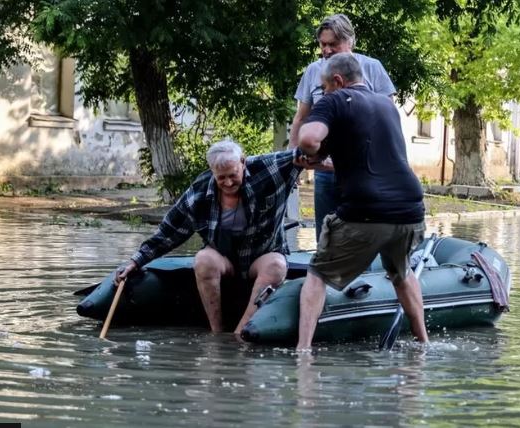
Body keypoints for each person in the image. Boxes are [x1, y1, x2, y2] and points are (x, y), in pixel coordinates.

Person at [295, 53, 428, 351]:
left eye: (325, 86)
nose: (324, 92)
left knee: (317, 274)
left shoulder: (335, 100)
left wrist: (306, 144)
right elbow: (366, 157)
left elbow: (309, 139)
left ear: (338, 81)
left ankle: (302, 352)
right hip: (410, 211)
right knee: (401, 273)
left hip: (366, 212)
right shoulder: (386, 105)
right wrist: (323, 160)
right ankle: (423, 343)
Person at [116, 139, 306, 337]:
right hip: (223, 259)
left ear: (243, 162)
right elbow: (168, 233)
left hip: (262, 255)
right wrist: (135, 261)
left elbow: (304, 153)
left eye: (233, 175)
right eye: (221, 178)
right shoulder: (198, 194)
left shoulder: (267, 168)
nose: (228, 183)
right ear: (212, 171)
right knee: (203, 260)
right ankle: (216, 333)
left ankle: (240, 334)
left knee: (277, 265)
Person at [288, 13, 396, 240]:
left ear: (350, 42)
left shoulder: (372, 68)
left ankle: (363, 273)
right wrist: (292, 160)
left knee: (361, 236)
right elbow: (301, 119)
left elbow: (387, 119)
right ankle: (325, 272)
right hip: (325, 170)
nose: (326, 50)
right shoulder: (312, 71)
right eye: (323, 44)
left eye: (333, 44)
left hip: (363, 171)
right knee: (326, 236)